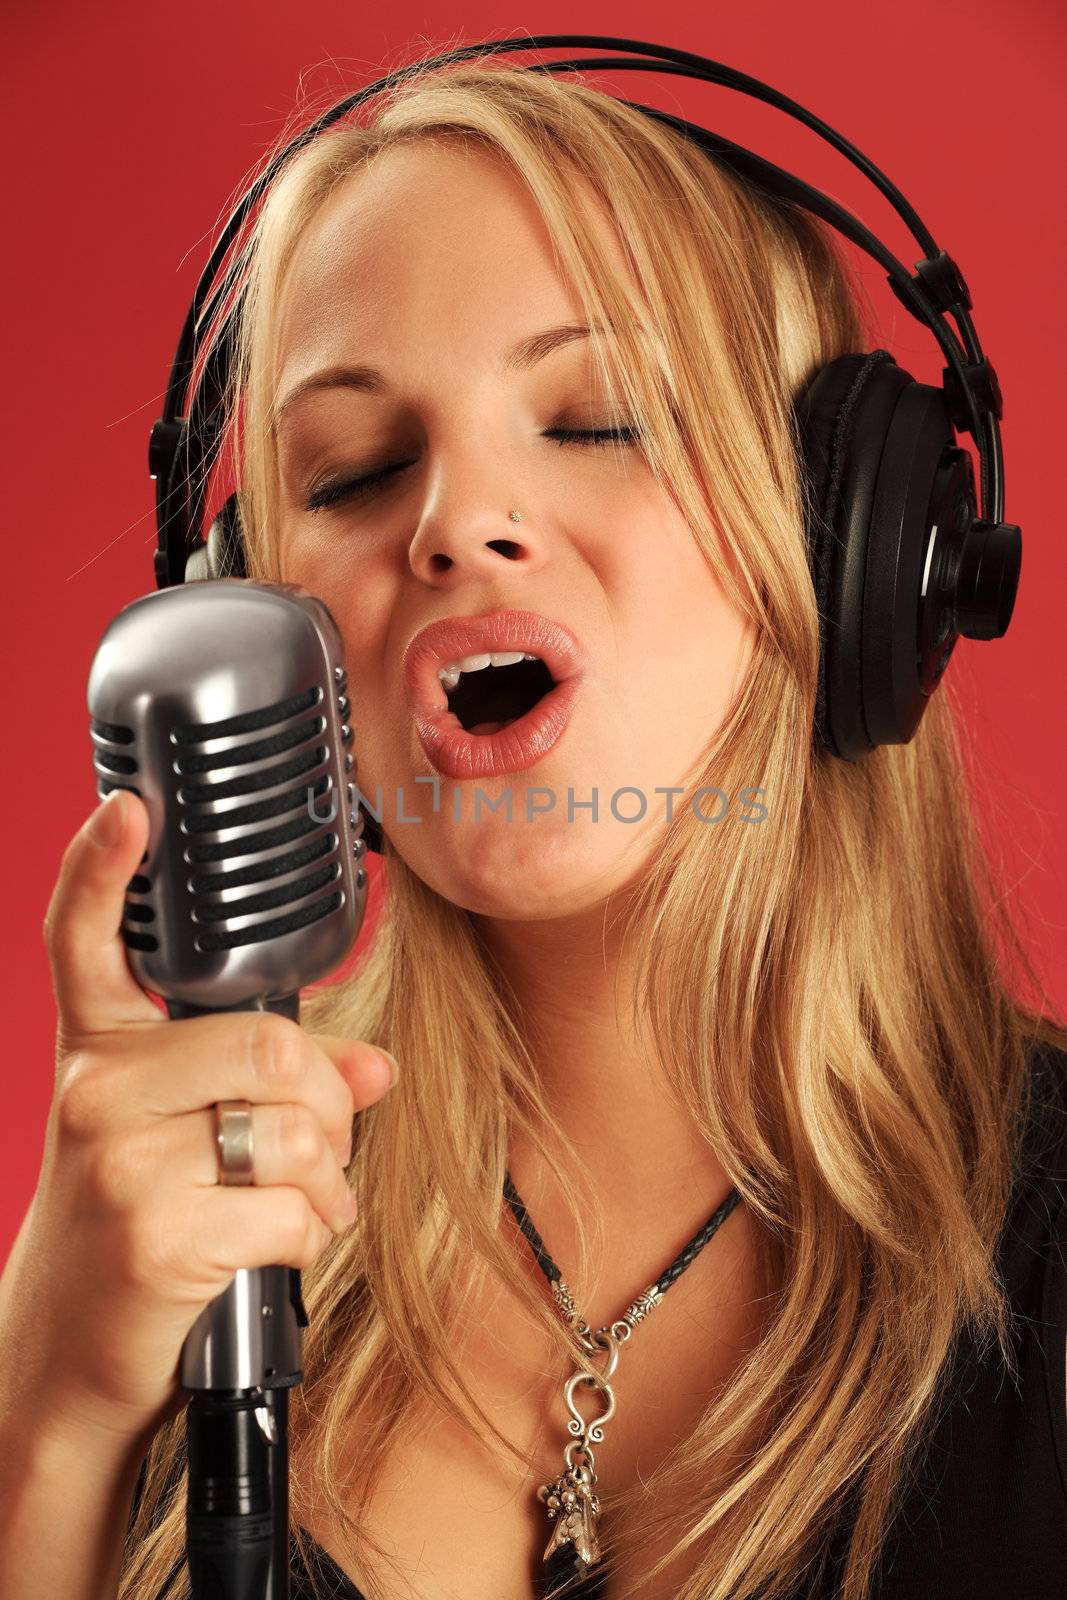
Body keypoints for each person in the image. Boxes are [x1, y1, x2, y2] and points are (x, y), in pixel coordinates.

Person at [2, 47, 1065, 1600]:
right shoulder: (182, 1265)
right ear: (264, 634)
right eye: (359, 471)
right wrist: (54, 1417)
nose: (453, 523)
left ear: (860, 545)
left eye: (600, 420)